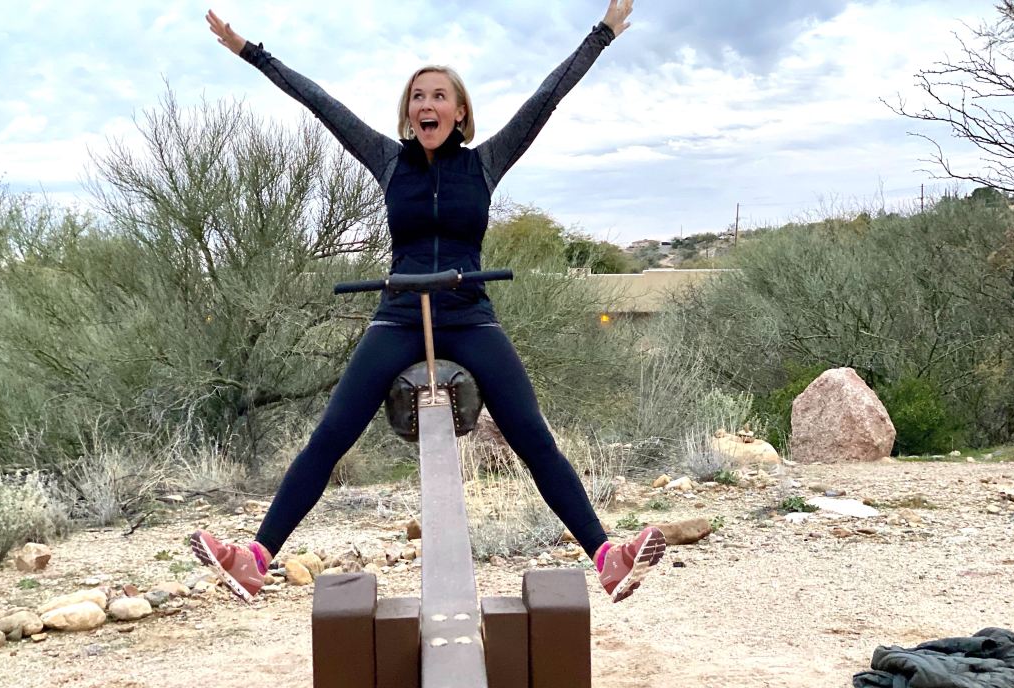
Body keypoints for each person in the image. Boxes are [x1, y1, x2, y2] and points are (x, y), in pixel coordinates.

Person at [191, 0, 666, 605]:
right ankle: (256, 558)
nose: (426, 105)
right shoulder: (388, 161)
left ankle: (606, 556)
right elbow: (319, 103)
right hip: (397, 313)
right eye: (418, 97)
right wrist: (251, 53)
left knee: (531, 435)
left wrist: (601, 34)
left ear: (460, 111)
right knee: (332, 433)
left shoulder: (486, 164)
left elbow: (548, 97)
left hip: (468, 314)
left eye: (439, 96)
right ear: (408, 113)